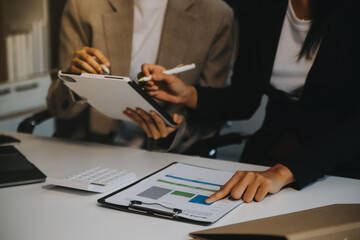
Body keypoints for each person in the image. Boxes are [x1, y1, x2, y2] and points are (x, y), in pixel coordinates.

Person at [125, 0, 360, 203]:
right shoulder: (259, 5)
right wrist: (188, 94)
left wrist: (286, 171)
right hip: (271, 150)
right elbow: (245, 98)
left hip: (340, 162)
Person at [46, 0, 235, 153]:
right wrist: (76, 82)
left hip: (168, 157)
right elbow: (58, 107)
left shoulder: (215, 14)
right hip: (89, 149)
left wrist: (175, 130)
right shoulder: (84, 6)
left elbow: (212, 110)